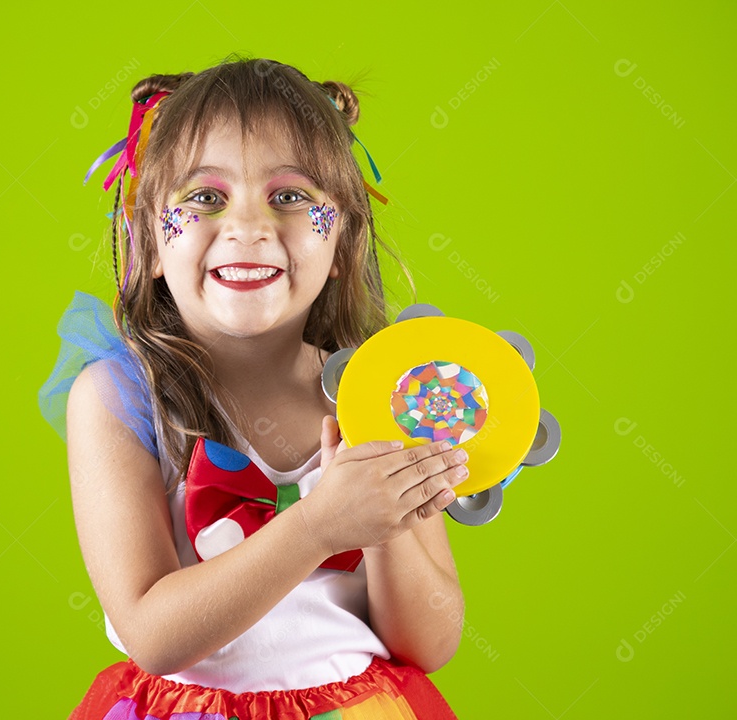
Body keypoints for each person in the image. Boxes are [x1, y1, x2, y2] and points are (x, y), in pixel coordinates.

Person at [40, 55, 467, 719]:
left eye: (291, 197)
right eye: (205, 197)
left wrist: (384, 522)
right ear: (149, 240)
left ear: (343, 243)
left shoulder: (379, 393)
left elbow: (430, 642)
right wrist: (321, 525)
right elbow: (154, 635)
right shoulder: (117, 399)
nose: (247, 226)